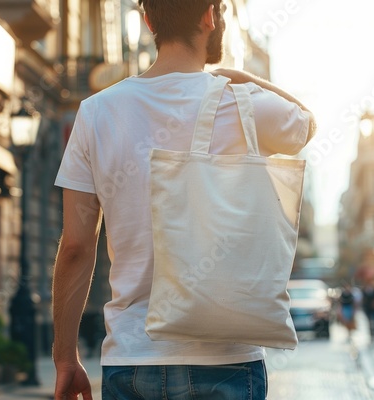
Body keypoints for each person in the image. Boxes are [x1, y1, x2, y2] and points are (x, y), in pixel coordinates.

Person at [51, 1, 316, 399]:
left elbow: (75, 247)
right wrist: (241, 78)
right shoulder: (246, 105)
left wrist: (65, 358)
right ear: (210, 15)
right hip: (228, 358)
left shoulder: (95, 113)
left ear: (148, 20)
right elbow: (306, 123)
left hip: (131, 358)